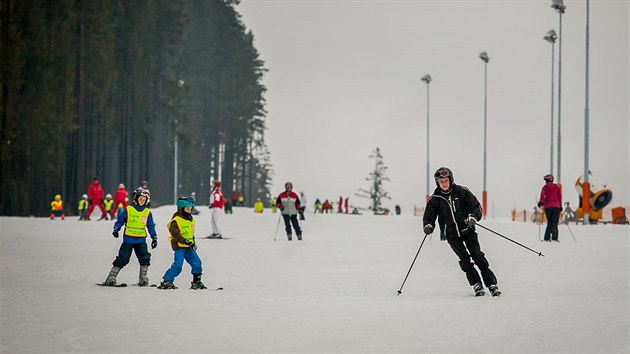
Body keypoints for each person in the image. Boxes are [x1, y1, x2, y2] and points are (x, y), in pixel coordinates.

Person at [422, 167, 500, 297]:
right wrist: (428, 226)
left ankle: (491, 284)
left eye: (446, 180)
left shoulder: (461, 192)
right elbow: (428, 217)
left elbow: (476, 206)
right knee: (464, 260)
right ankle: (476, 284)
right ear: (437, 183)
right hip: (451, 235)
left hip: (467, 230)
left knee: (477, 256)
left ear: (450, 180)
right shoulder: (435, 199)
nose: (444, 184)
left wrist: (473, 217)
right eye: (441, 182)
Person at [101, 188, 158, 287]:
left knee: (145, 258)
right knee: (122, 258)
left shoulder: (147, 212)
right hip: (128, 240)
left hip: (141, 240)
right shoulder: (128, 209)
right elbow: (120, 220)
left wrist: (154, 237)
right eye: (140, 199)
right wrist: (116, 229)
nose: (142, 201)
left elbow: (151, 226)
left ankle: (143, 278)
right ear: (135, 199)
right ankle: (111, 277)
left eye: (144, 200)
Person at [157, 196, 206, 290]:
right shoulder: (176, 221)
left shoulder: (190, 220)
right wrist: (186, 241)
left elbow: (191, 233)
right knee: (178, 266)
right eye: (188, 209)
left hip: (189, 247)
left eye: (191, 208)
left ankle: (197, 281)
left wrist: (193, 242)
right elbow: (175, 235)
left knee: (197, 263)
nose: (190, 210)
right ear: (181, 208)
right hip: (179, 247)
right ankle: (167, 281)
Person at [538, 174, 562, 242]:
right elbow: (559, 197)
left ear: (546, 180)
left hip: (548, 207)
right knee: (555, 223)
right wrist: (560, 206)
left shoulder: (545, 187)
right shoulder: (557, 187)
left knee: (550, 222)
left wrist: (541, 202)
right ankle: (555, 237)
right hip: (556, 207)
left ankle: (547, 237)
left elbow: (543, 195)